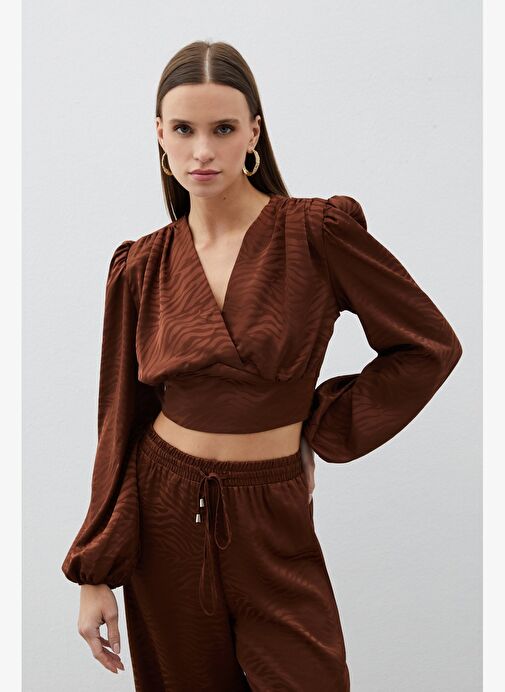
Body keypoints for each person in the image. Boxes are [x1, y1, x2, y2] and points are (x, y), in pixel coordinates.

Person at [61, 40, 463, 692]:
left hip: (272, 509)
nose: (202, 150)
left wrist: (322, 425)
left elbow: (428, 345)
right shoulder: (141, 265)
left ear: (253, 132)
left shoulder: (315, 233)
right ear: (159, 134)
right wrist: (94, 571)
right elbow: (118, 418)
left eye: (222, 129)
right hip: (164, 509)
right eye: (184, 129)